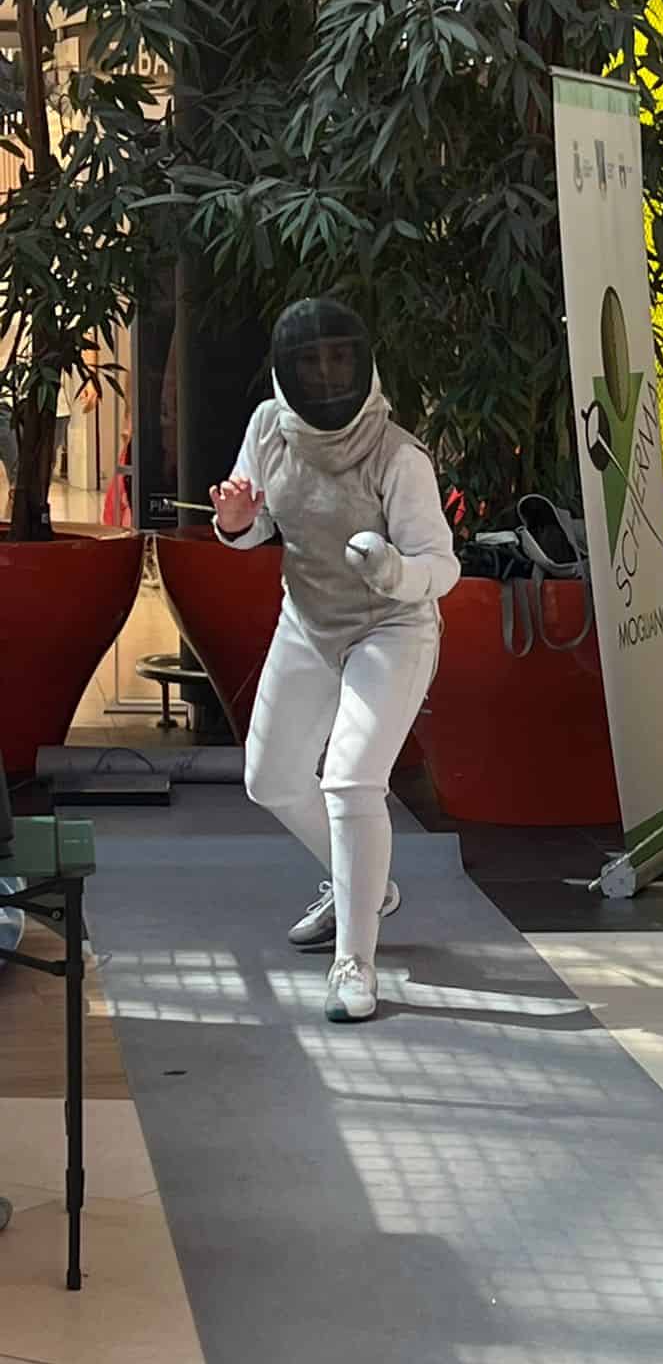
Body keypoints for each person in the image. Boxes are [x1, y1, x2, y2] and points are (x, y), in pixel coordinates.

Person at [210, 298, 458, 1025]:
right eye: (311, 361)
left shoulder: (397, 456)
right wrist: (234, 522)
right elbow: (256, 520)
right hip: (309, 620)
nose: (325, 374)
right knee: (270, 778)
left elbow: (442, 566)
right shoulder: (268, 427)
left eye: (339, 357)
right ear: (286, 371)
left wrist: (393, 570)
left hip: (393, 627)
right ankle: (364, 886)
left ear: (362, 361)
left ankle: (356, 961)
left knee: (351, 779)